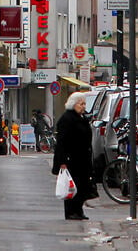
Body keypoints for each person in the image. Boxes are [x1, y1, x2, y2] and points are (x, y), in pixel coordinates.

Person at [52, 92, 93, 221]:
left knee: (81, 185)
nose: (83, 106)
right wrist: (62, 161)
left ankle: (79, 210)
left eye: (84, 104)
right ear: (73, 104)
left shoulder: (82, 118)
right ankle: (70, 212)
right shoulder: (67, 119)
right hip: (71, 158)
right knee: (72, 185)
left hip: (82, 158)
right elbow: (62, 142)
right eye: (81, 104)